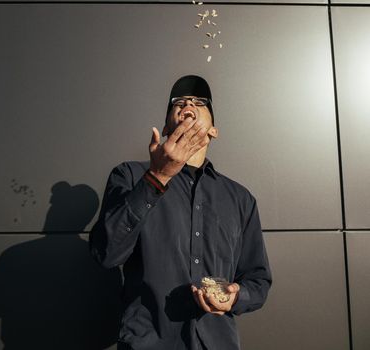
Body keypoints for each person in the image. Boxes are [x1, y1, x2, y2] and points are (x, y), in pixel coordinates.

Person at [89, 75, 272, 350]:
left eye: (200, 102)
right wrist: (157, 177)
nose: (188, 102)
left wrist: (235, 297)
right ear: (165, 126)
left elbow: (258, 280)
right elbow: (106, 254)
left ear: (214, 130)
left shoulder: (240, 199)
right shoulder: (130, 176)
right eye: (179, 102)